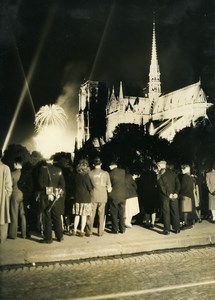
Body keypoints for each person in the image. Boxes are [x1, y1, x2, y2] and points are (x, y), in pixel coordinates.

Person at [38, 157, 65, 243]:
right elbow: (62, 184)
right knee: (56, 216)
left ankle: (48, 238)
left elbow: (40, 183)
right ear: (52, 160)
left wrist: (49, 193)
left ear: (45, 160)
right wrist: (56, 193)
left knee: (47, 216)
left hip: (46, 196)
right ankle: (60, 236)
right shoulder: (59, 169)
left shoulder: (42, 169)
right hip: (56, 197)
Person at [87, 157, 112, 236]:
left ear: (93, 164)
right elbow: (109, 188)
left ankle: (89, 231)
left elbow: (88, 186)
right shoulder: (106, 173)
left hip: (93, 195)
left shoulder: (89, 173)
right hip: (103, 196)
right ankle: (100, 232)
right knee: (101, 214)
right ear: (101, 164)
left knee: (91, 214)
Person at [157, 160, 181, 235]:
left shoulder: (159, 174)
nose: (157, 168)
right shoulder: (173, 173)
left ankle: (167, 230)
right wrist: (176, 193)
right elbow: (178, 184)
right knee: (175, 211)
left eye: (158, 166)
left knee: (166, 212)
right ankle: (177, 229)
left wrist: (168, 194)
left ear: (160, 166)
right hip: (174, 195)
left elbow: (161, 187)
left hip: (165, 196)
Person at [72, 159, 93, 237]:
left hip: (77, 198)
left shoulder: (76, 176)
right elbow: (90, 188)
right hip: (85, 198)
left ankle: (74, 230)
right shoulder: (86, 177)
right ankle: (81, 231)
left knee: (77, 215)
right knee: (83, 215)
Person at [8, 157, 27, 239]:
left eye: (14, 163)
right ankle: (24, 234)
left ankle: (13, 234)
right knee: (22, 214)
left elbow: (10, 185)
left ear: (16, 163)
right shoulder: (25, 173)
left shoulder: (12, 173)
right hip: (23, 195)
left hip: (15, 194)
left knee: (14, 214)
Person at [138, 162, 159, 228]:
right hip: (153, 193)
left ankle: (147, 223)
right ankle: (152, 223)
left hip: (145, 193)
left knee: (147, 209)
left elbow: (140, 185)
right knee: (153, 209)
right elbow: (156, 183)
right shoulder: (154, 174)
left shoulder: (143, 174)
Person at [108, 160, 126, 234]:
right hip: (122, 195)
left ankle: (115, 229)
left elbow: (109, 186)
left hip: (114, 195)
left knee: (114, 213)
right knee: (122, 213)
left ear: (111, 166)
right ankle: (122, 228)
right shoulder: (123, 172)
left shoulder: (110, 174)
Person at [0, 150, 12, 243]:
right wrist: (7, 196)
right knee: (3, 219)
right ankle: (2, 239)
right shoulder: (5, 168)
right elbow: (9, 186)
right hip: (2, 198)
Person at [179, 164, 196, 230]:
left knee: (185, 210)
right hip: (190, 195)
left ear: (186, 169)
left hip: (185, 195)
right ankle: (188, 223)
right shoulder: (190, 177)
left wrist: (181, 194)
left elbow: (183, 187)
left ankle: (185, 223)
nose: (182, 170)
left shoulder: (185, 177)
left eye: (183, 169)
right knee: (188, 210)